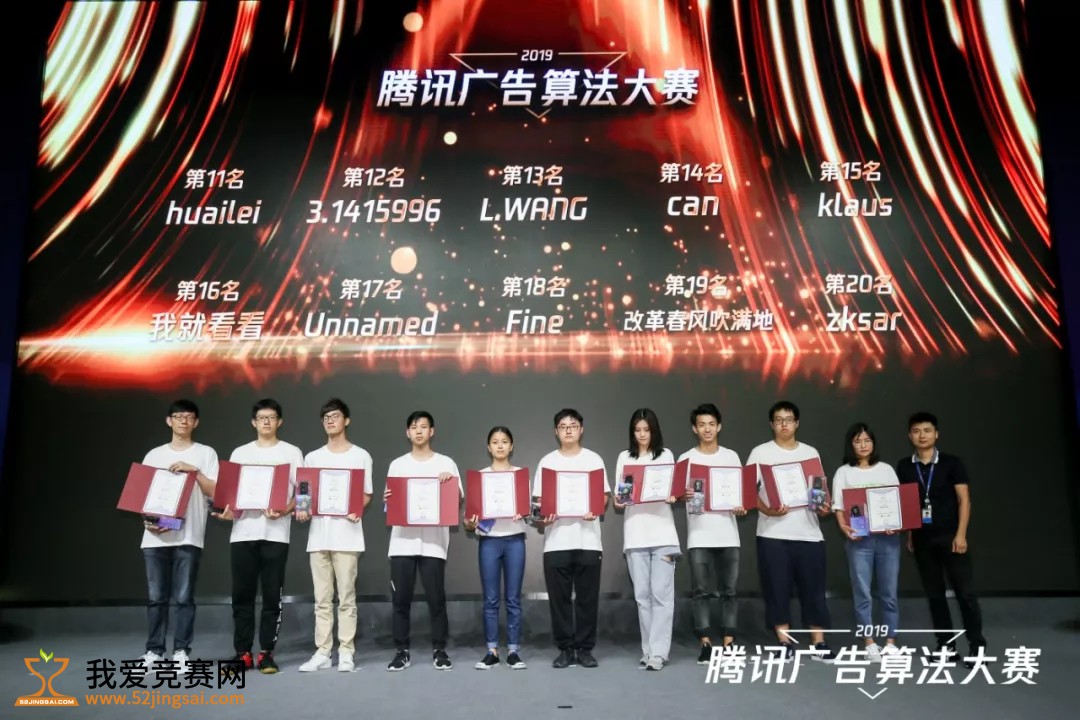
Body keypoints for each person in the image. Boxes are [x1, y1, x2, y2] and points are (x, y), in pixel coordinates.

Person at [214, 398, 304, 675]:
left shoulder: (292, 452)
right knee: (242, 595)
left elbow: (303, 492)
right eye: (261, 417)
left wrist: (285, 509)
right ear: (253, 422)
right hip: (242, 533)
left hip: (276, 534)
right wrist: (228, 510)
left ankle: (267, 653)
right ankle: (242, 653)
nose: (266, 421)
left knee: (272, 597)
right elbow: (230, 495)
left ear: (280, 422)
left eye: (271, 417)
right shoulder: (240, 453)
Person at [748, 400, 835, 663]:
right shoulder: (760, 453)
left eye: (788, 419)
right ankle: (784, 643)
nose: (783, 424)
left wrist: (824, 507)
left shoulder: (810, 453)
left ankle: (819, 643)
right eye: (778, 420)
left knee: (814, 590)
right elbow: (747, 491)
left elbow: (820, 493)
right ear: (771, 424)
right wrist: (768, 510)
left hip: (809, 534)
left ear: (797, 423)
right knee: (777, 591)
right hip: (772, 534)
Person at [897, 412, 985, 664]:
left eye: (927, 430)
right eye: (916, 431)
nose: (922, 435)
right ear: (910, 436)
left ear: (936, 434)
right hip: (922, 540)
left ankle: (977, 647)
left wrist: (961, 534)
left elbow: (964, 500)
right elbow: (908, 503)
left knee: (965, 594)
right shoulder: (905, 466)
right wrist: (910, 534)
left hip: (951, 537)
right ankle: (946, 646)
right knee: (935, 595)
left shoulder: (951, 463)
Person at [138, 399, 219, 674]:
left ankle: (181, 651)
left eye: (189, 417)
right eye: (178, 416)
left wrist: (194, 471)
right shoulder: (154, 455)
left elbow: (216, 492)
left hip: (189, 536)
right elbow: (142, 495)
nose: (183, 421)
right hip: (155, 537)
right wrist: (152, 521)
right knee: (156, 598)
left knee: (184, 598)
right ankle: (154, 650)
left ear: (196, 422)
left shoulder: (206, 453)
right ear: (168, 420)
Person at [295, 399, 373, 673]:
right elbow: (304, 494)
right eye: (326, 417)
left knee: (347, 597)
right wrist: (302, 509)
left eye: (335, 416)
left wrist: (355, 508)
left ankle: (347, 651)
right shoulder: (313, 457)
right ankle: (323, 652)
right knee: (322, 599)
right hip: (318, 537)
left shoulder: (360, 456)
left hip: (347, 536)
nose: (330, 420)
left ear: (346, 420)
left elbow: (366, 494)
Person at [384, 411, 462, 672]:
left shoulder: (446, 463)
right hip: (402, 543)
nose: (419, 431)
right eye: (414, 427)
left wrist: (449, 485)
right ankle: (401, 651)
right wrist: (387, 500)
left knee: (436, 600)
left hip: (433, 543)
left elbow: (456, 500)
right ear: (407, 432)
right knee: (400, 600)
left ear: (432, 431)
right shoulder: (397, 465)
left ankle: (440, 649)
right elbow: (390, 505)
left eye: (424, 426)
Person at [533, 408, 611, 669]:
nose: (568, 430)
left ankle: (585, 649)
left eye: (573, 425)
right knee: (560, 600)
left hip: (588, 540)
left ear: (581, 429)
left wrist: (596, 508)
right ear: (556, 431)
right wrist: (544, 515)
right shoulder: (547, 462)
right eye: (563, 426)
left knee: (588, 598)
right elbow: (538, 503)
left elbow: (604, 496)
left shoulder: (593, 459)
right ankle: (566, 648)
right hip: (556, 541)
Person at [677, 403, 746, 665]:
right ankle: (705, 643)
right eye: (701, 424)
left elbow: (740, 493)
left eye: (711, 424)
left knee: (729, 591)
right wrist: (683, 494)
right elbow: (676, 494)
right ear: (694, 429)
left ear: (719, 426)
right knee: (701, 592)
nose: (707, 429)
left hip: (728, 533)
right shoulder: (685, 459)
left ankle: (729, 642)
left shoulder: (731, 457)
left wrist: (740, 505)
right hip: (699, 534)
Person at [613, 408, 679, 671]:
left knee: (662, 596)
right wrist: (621, 499)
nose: (642, 435)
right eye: (637, 430)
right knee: (642, 596)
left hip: (664, 535)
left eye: (646, 430)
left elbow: (673, 489)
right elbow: (619, 499)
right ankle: (648, 650)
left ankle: (659, 653)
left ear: (654, 431)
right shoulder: (624, 457)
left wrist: (672, 495)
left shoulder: (666, 455)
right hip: (635, 535)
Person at [832, 422, 902, 662]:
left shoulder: (886, 470)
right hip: (859, 539)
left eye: (867, 440)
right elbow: (838, 507)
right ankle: (869, 642)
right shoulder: (844, 472)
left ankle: (891, 642)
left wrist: (895, 523)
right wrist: (844, 527)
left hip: (888, 539)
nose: (863, 445)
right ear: (850, 445)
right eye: (857, 441)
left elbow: (897, 503)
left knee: (889, 592)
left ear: (873, 443)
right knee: (862, 593)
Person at [463, 427, 527, 670]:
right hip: (489, 541)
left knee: (513, 599)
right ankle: (491, 651)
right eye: (495, 442)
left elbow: (530, 511)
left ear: (511, 446)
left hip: (515, 540)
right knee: (490, 599)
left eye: (505, 441)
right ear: (488, 447)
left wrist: (525, 512)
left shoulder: (520, 476)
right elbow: (468, 521)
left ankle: (513, 651)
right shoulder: (480, 477)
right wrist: (470, 523)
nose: (500, 446)